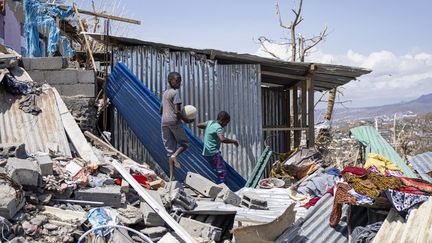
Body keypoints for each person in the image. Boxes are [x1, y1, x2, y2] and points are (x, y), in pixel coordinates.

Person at [160, 72, 194, 180]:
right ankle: (175, 156)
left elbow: (160, 110)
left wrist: (166, 114)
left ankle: (171, 177)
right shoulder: (175, 93)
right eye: (177, 80)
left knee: (170, 150)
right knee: (185, 143)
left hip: (164, 122)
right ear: (170, 81)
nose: (179, 83)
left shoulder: (165, 93)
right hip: (174, 121)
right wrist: (186, 120)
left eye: (180, 80)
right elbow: (177, 111)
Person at [197, 111, 239, 184]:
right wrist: (234, 141)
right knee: (222, 172)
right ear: (223, 120)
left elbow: (198, 125)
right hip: (214, 154)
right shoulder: (219, 128)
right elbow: (222, 139)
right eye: (226, 122)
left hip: (206, 153)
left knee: (218, 171)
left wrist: (208, 128)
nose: (226, 125)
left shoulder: (210, 123)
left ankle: (217, 186)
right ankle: (219, 189)